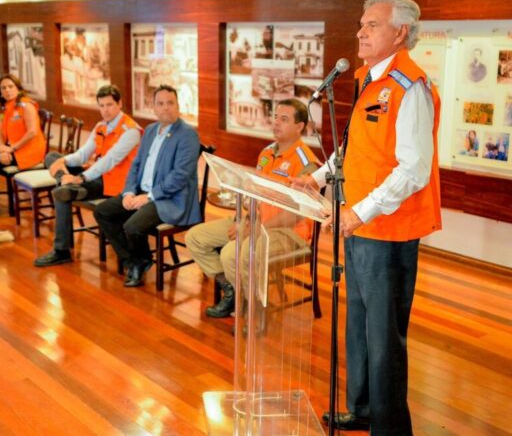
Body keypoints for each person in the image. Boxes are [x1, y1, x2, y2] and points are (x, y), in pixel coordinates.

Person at [292, 0, 441, 434]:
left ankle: (390, 427)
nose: (360, 31)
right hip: (356, 222)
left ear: (400, 33)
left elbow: (412, 168)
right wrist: (317, 178)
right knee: (357, 324)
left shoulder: (409, 87)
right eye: (361, 23)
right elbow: (353, 149)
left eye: (372, 24)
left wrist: (360, 212)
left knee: (384, 338)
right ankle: (361, 408)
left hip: (388, 230)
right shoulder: (368, 81)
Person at [186, 99, 319, 318]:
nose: (276, 123)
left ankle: (254, 309)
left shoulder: (307, 163)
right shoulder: (266, 153)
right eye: (275, 117)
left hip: (289, 232)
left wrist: (256, 229)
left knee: (232, 253)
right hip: (257, 222)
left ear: (300, 126)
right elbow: (255, 195)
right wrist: (245, 221)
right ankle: (232, 290)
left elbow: (295, 215)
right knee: (196, 237)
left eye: (284, 119)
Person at [94, 85, 200, 287]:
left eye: (170, 103)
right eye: (160, 104)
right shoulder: (150, 131)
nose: (166, 108)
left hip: (169, 199)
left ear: (178, 106)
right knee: (103, 212)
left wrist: (149, 197)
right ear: (154, 107)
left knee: (132, 226)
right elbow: (136, 165)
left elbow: (180, 176)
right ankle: (134, 261)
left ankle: (138, 262)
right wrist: (128, 192)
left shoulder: (188, 134)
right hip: (142, 192)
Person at [34, 85, 142, 267]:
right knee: (52, 157)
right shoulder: (101, 126)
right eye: (101, 106)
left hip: (115, 183)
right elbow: (83, 154)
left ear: (120, 104)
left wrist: (81, 178)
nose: (105, 110)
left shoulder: (130, 131)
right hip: (97, 175)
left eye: (109, 105)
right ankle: (68, 185)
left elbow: (109, 161)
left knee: (61, 192)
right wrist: (63, 163)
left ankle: (61, 250)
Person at [0, 75, 46, 218]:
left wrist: (11, 149)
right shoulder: (8, 107)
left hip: (30, 151)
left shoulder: (26, 105)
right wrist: (1, 150)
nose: (7, 90)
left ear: (18, 88)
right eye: (3, 88)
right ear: (0, 92)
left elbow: (32, 132)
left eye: (10, 86)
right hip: (15, 148)